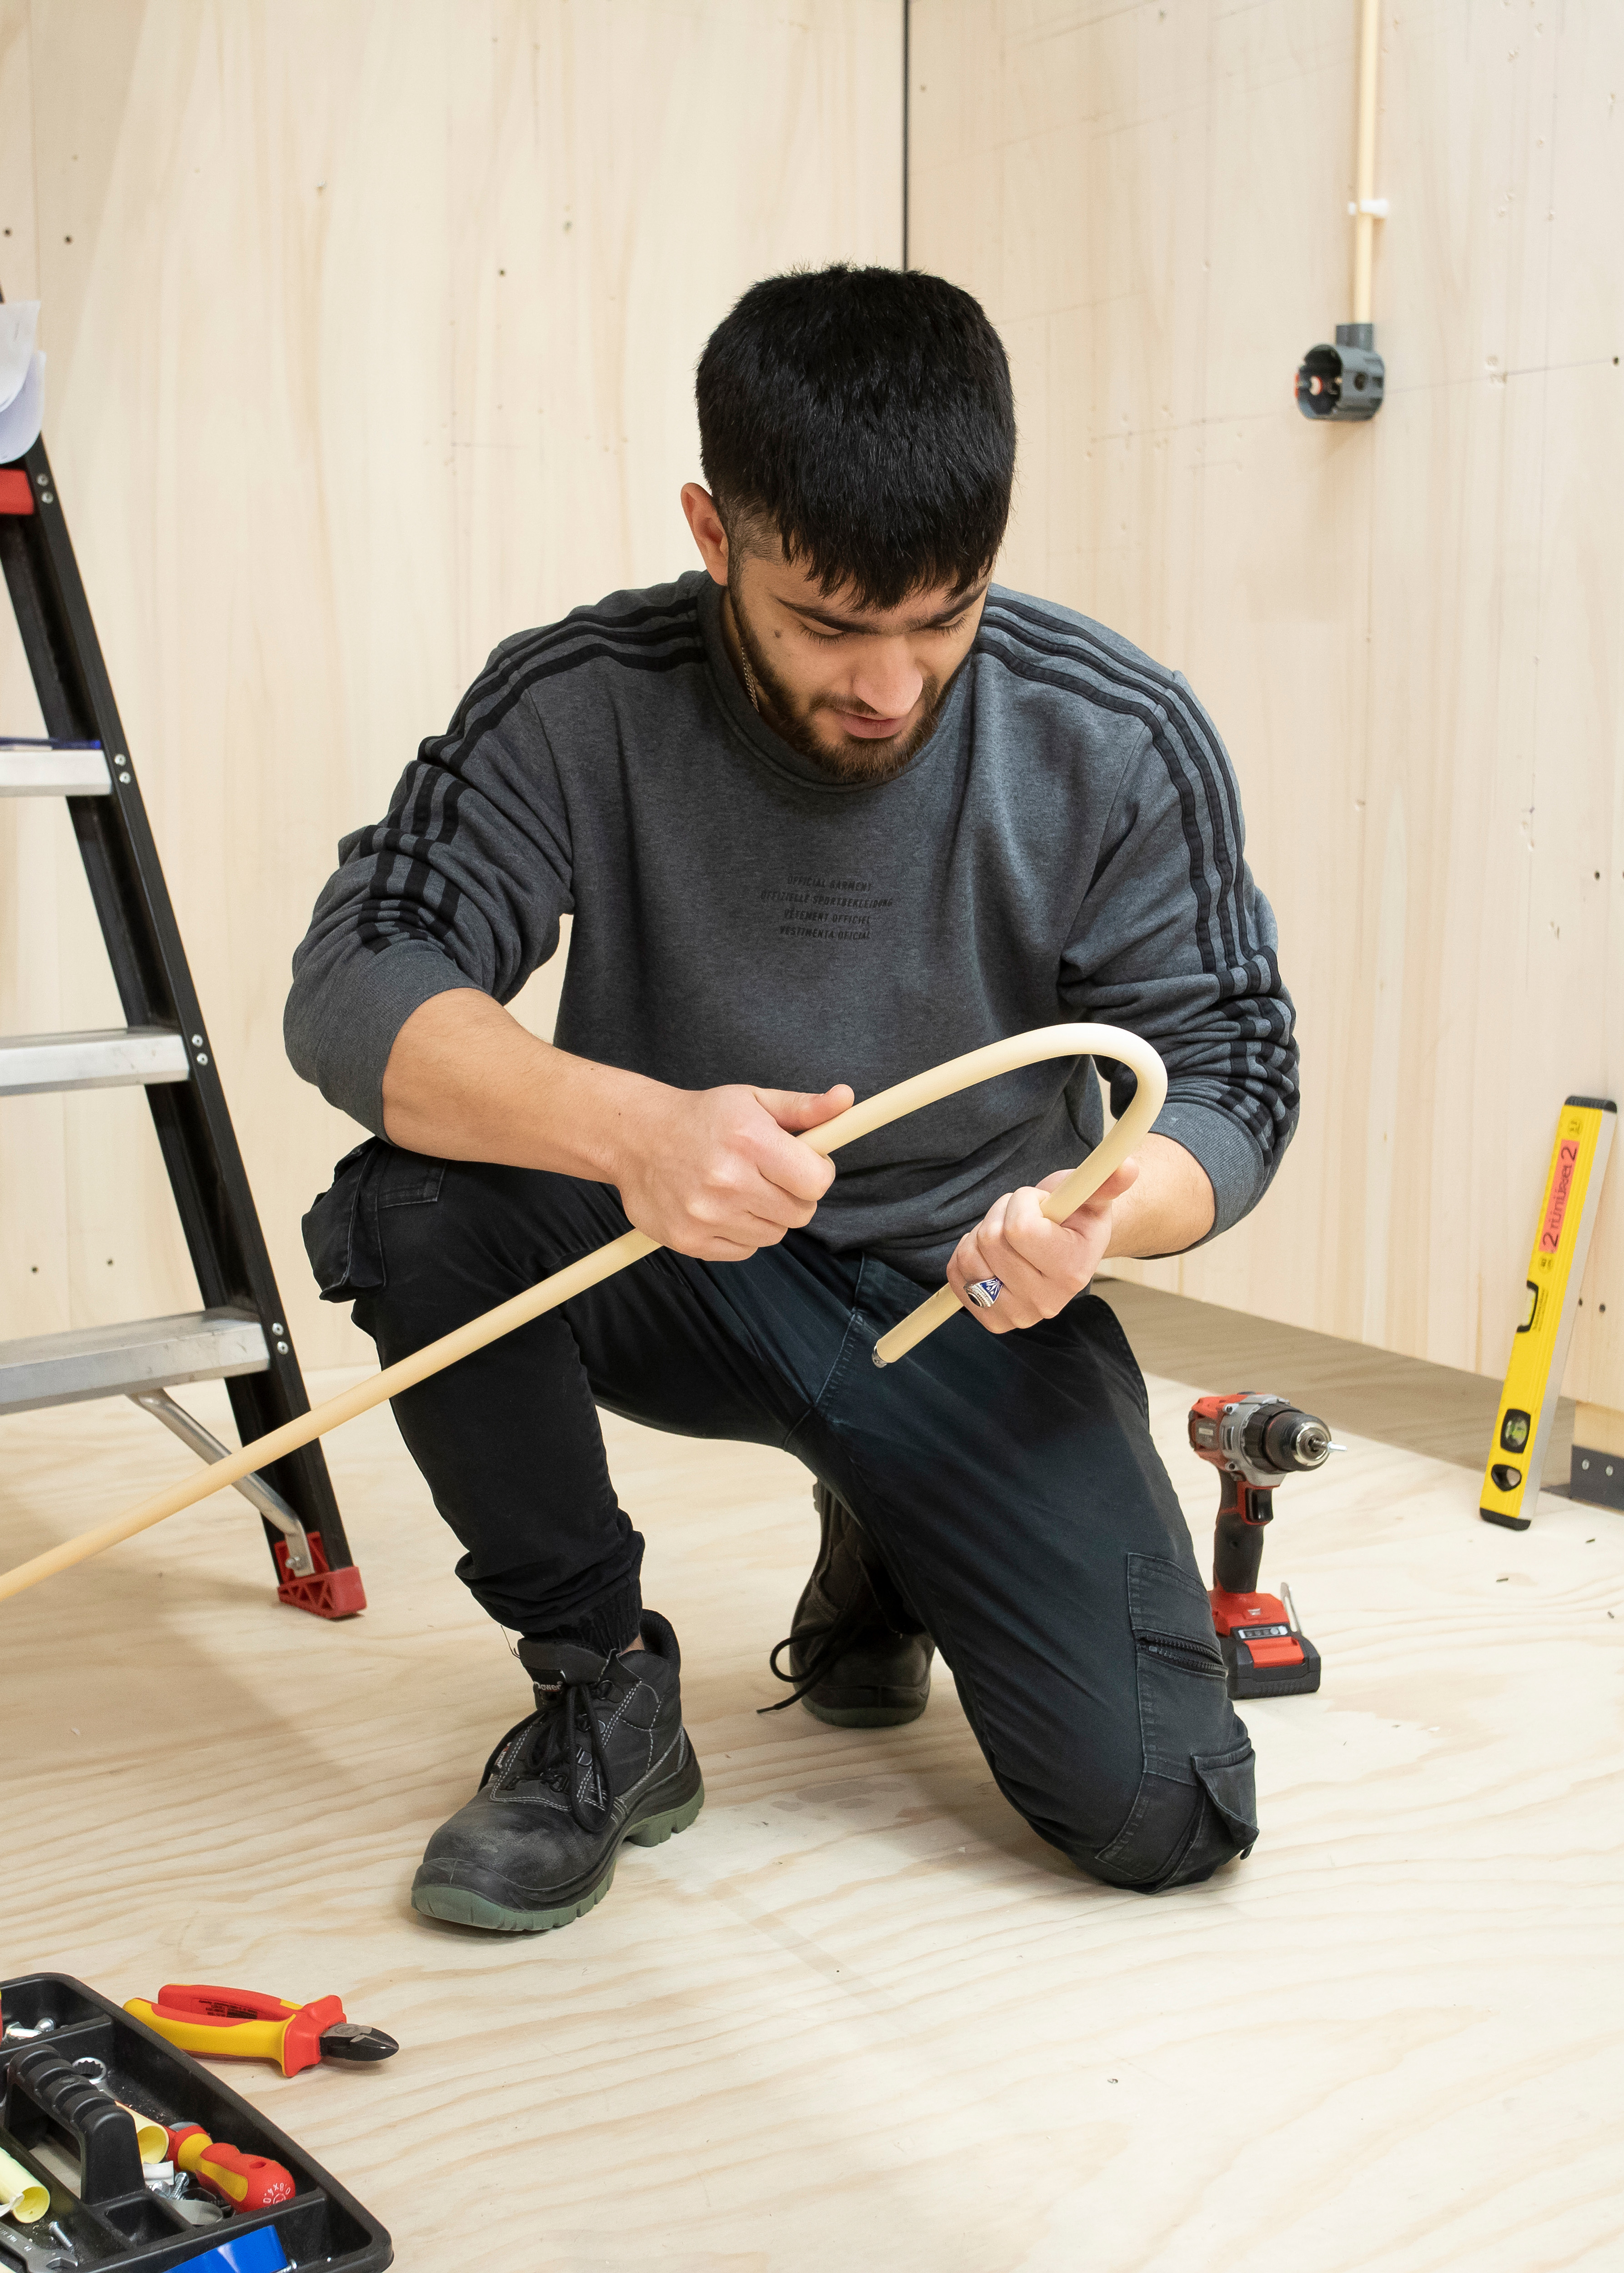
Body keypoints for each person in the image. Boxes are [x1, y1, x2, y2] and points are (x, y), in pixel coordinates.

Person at [287, 265, 1298, 1933]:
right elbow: (358, 978)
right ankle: (599, 1684)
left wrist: (1107, 1207)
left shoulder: (1111, 735)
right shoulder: (577, 699)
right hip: (673, 1261)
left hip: (968, 1306)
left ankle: (887, 1537)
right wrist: (632, 1129)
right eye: (827, 623)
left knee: (1158, 1818)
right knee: (413, 1200)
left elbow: (1233, 1061)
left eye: (940, 618)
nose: (890, 687)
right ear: (712, 531)